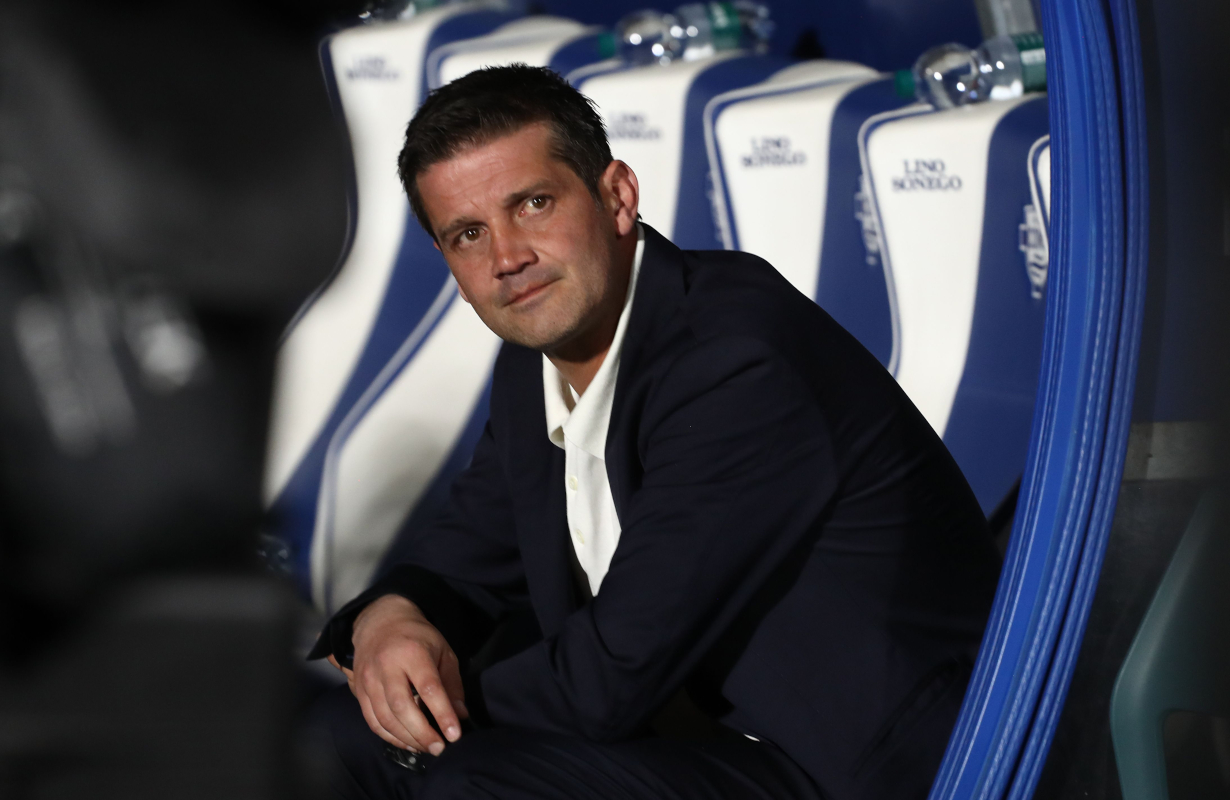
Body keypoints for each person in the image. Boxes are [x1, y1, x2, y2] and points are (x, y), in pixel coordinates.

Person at [307, 64, 1001, 800]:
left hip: (848, 765)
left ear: (616, 197)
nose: (507, 257)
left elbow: (612, 673)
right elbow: (469, 556)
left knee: (473, 785)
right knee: (328, 740)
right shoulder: (534, 363)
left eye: (534, 204)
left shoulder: (735, 359)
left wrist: (426, 703)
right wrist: (388, 623)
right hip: (701, 744)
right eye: (468, 234)